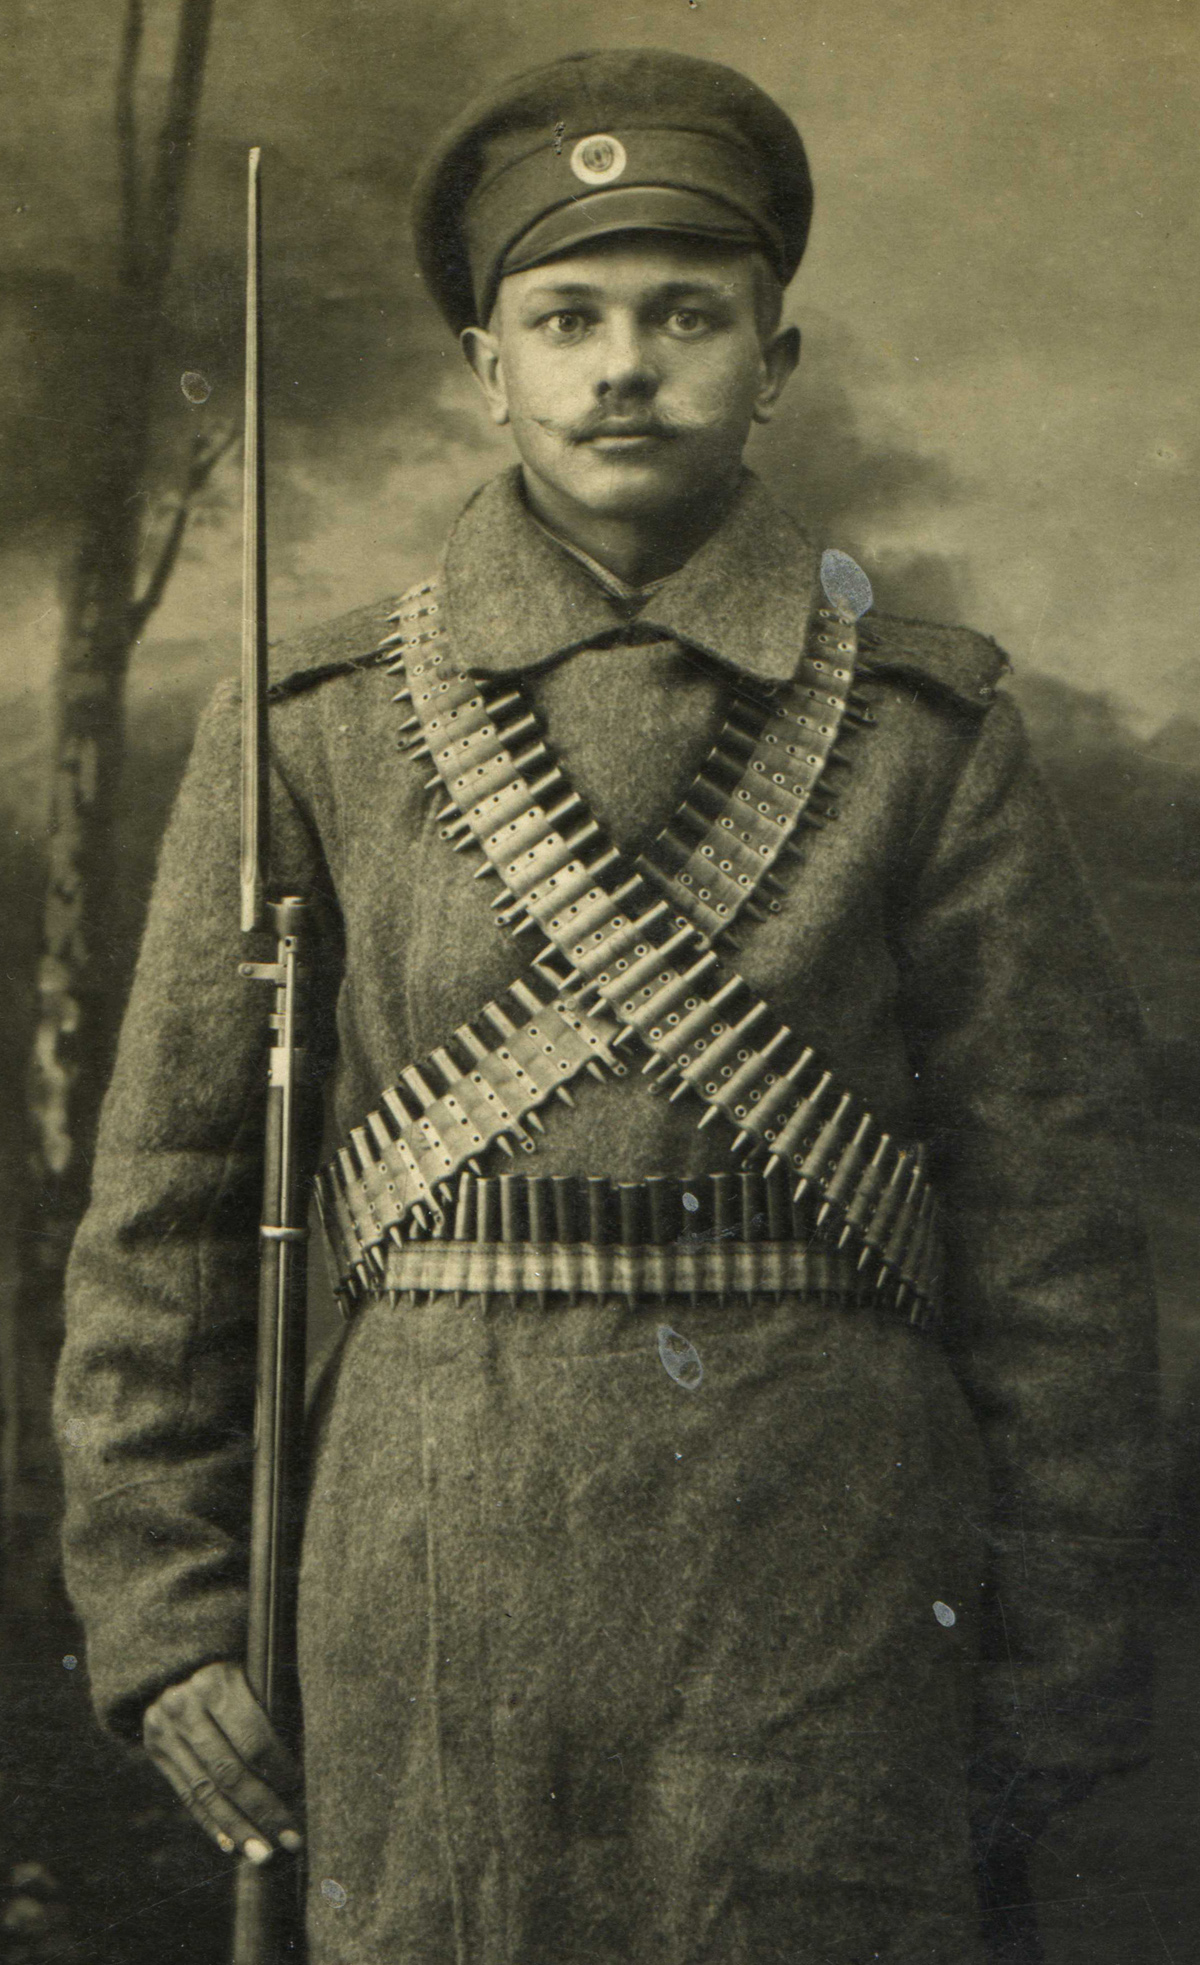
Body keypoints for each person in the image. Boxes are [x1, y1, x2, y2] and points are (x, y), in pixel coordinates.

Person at [54, 47, 1159, 1965]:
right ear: (488, 366)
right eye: (568, 318)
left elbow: (1053, 1225)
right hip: (426, 1575)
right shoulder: (315, 725)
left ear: (774, 361)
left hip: (831, 1580)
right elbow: (167, 1212)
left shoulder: (927, 729)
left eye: (686, 316)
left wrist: (1058, 1642)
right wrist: (163, 1608)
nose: (625, 366)